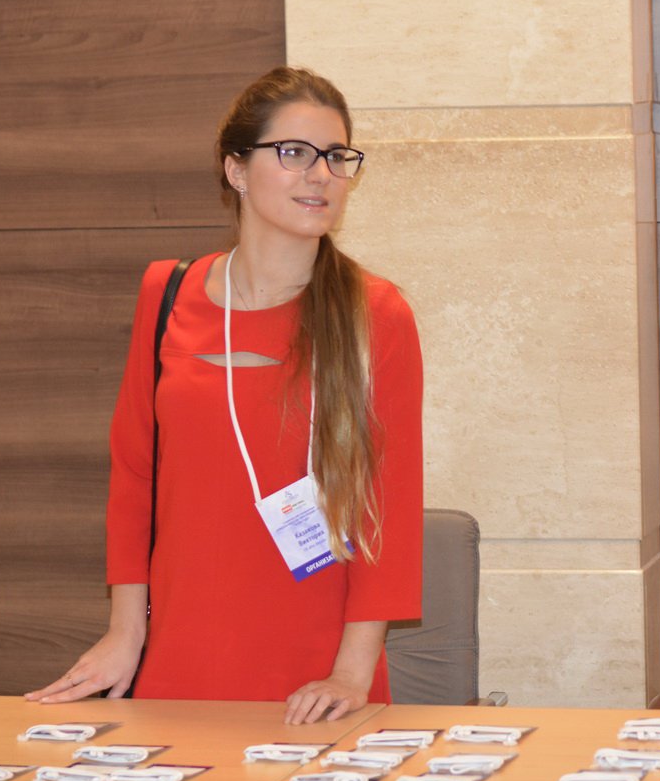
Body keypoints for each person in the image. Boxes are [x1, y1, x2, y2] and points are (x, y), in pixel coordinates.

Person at [27, 67, 423, 724]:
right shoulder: (166, 293)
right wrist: (125, 632)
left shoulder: (375, 313)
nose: (321, 175)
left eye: (336, 156)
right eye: (294, 152)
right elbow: (135, 476)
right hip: (178, 654)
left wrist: (351, 673)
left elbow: (389, 504)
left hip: (318, 675)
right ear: (236, 169)